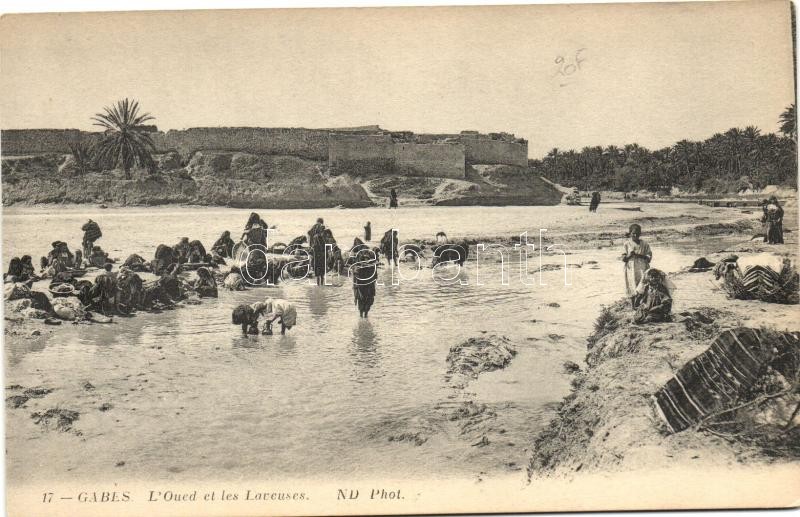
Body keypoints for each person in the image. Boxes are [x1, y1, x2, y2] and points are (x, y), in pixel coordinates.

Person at [621, 223, 652, 306]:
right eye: (633, 233)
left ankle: (641, 303)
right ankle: (633, 305)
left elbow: (649, 257)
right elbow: (623, 259)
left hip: (643, 267)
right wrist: (629, 255)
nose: (635, 235)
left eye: (637, 233)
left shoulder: (645, 244)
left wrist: (640, 255)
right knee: (632, 284)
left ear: (640, 233)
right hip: (631, 269)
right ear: (630, 233)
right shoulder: (627, 244)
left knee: (643, 284)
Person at [352, 249, 378, 318]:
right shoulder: (359, 267)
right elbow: (355, 277)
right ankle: (361, 317)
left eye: (367, 259)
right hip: (361, 288)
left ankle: (366, 316)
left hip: (369, 287)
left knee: (368, 304)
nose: (366, 260)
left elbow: (375, 277)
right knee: (361, 304)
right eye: (365, 259)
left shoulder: (371, 268)